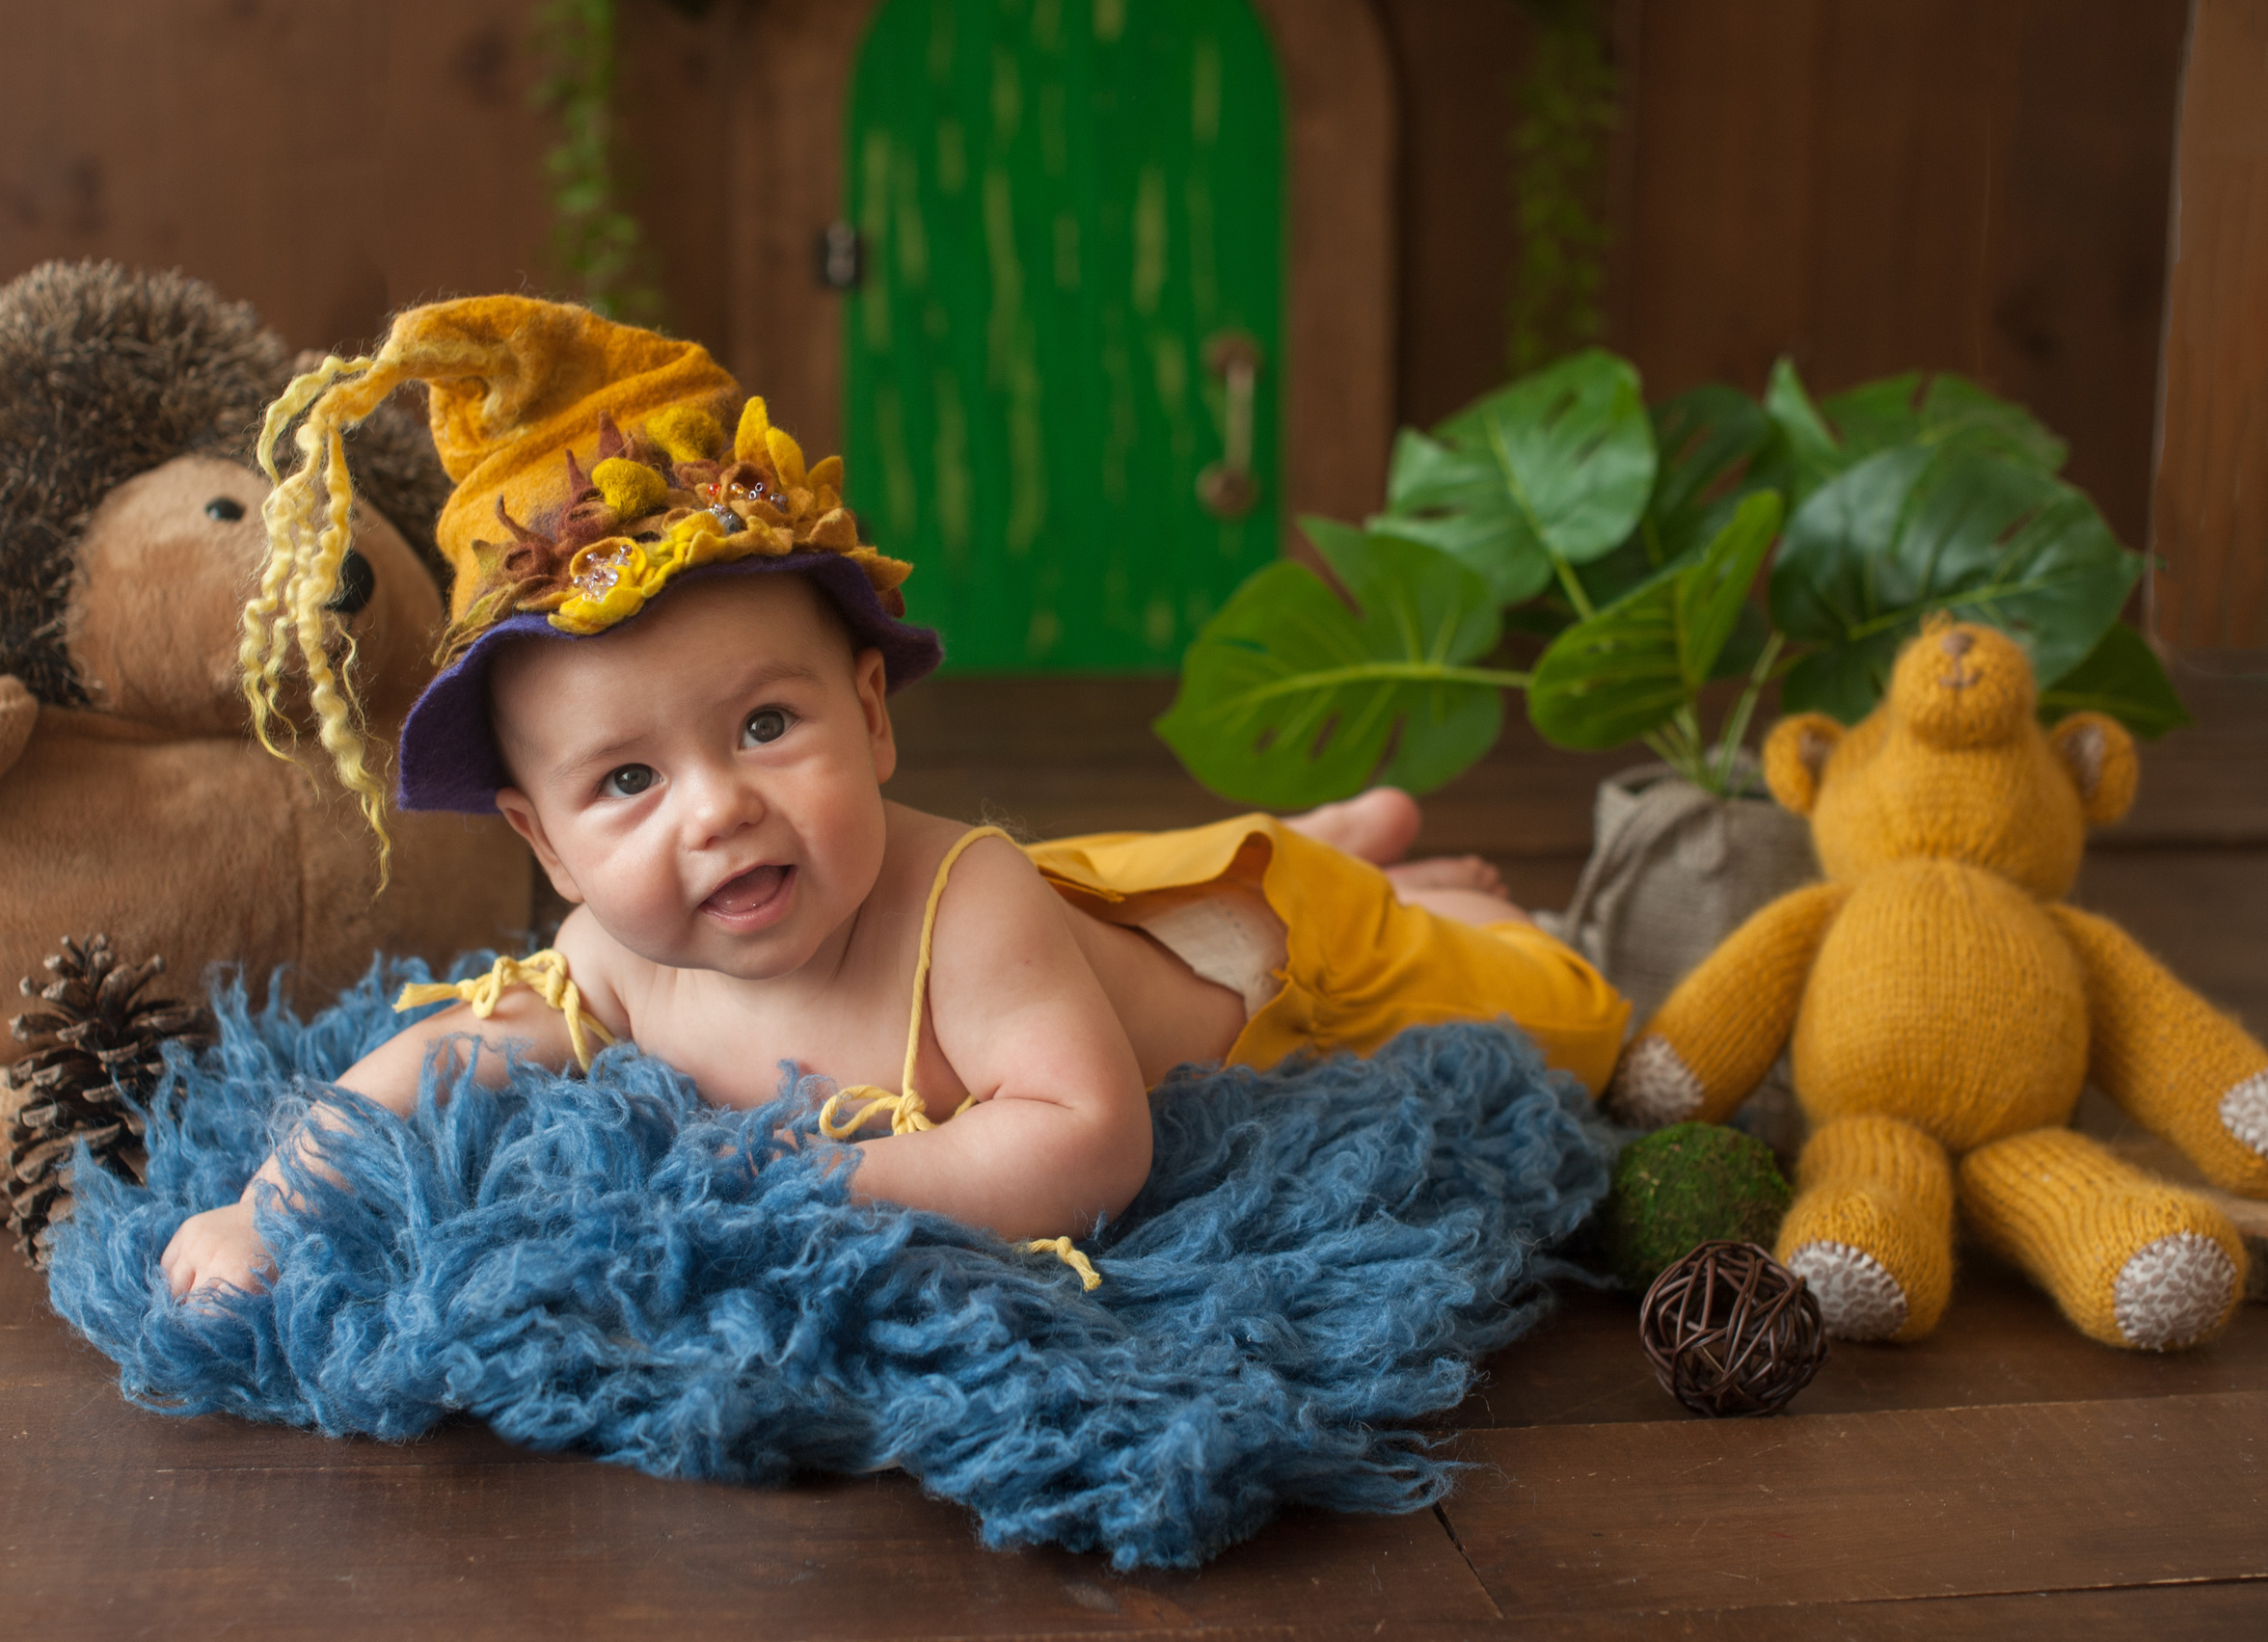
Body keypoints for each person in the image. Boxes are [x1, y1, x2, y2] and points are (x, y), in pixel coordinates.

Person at [159, 298, 1627, 1302]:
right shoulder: (611, 957)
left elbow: (1088, 1137)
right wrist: (266, 1204)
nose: (715, 811)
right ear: (544, 844)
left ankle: (1373, 886)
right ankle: (1339, 842)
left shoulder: (964, 906)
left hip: (1267, 978)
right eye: (627, 781)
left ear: (870, 715)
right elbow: (438, 1058)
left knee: (1557, 1009)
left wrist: (825, 1187)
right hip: (1077, 905)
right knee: (1107, 883)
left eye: (765, 725)